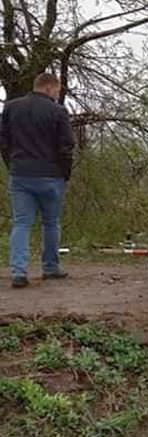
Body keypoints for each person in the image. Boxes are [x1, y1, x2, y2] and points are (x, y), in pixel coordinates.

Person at [0, 73, 75, 288]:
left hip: (21, 174)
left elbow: (3, 141)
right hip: (51, 175)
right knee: (51, 223)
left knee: (22, 223)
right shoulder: (58, 111)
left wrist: (12, 165)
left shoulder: (12, 108)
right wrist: (64, 172)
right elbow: (67, 145)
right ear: (50, 88)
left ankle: (18, 271)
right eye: (58, 90)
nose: (57, 94)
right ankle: (50, 267)